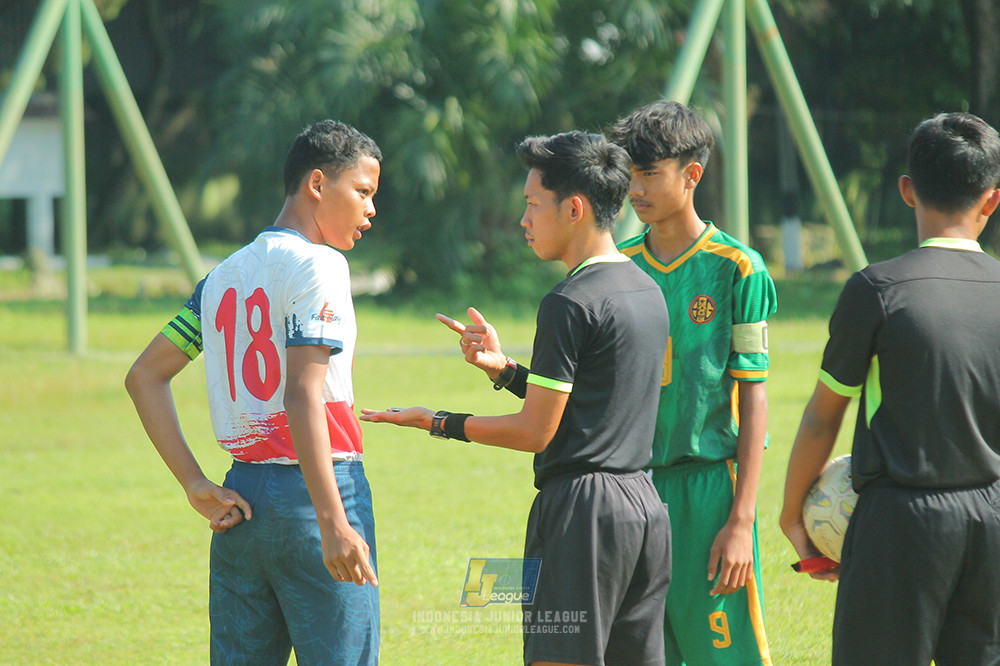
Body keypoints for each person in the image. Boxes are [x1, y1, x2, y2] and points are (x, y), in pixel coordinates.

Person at [362, 131, 672, 666]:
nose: (524, 220)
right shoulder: (646, 289)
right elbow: (592, 402)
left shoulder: (569, 302)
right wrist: (504, 371)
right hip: (643, 507)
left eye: (532, 205)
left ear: (574, 208)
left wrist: (435, 421)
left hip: (582, 514)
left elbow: (536, 432)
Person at [125, 120, 382, 665]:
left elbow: (144, 376)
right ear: (317, 184)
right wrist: (334, 521)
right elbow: (302, 395)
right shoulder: (322, 265)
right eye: (362, 191)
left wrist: (195, 483)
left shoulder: (221, 276)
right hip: (318, 495)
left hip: (242, 503)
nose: (370, 210)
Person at [780, 111, 1000, 665]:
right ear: (992, 200)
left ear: (907, 190)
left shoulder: (878, 289)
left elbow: (822, 417)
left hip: (901, 522)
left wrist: (792, 515)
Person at [606, 100, 774, 666]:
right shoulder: (618, 268)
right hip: (633, 487)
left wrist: (741, 519)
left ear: (692, 174)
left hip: (708, 490)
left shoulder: (737, 268)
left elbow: (753, 394)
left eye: (650, 173)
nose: (636, 189)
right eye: (630, 174)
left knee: (720, 655)